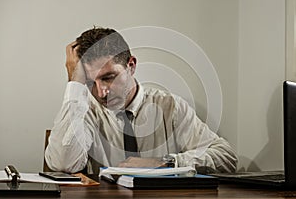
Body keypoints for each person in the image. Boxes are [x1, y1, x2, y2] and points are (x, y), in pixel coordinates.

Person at [45, 26, 238, 175]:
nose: (101, 92)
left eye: (108, 77)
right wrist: (75, 86)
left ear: (131, 66)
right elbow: (63, 164)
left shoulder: (170, 107)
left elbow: (226, 157)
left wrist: (165, 162)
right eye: (89, 82)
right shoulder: (84, 110)